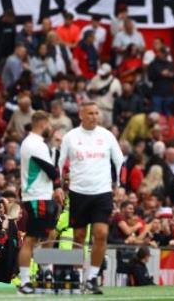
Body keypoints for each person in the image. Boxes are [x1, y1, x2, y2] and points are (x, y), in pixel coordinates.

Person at [58, 102, 125, 294]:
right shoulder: (71, 137)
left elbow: (120, 160)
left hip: (102, 192)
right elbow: (60, 162)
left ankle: (92, 278)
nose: (94, 116)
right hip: (78, 193)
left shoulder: (106, 136)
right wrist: (57, 186)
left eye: (97, 113)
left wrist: (121, 186)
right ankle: (78, 278)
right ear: (81, 115)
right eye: (90, 113)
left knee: (101, 233)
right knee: (79, 237)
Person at [17, 111, 65, 294]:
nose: (50, 128)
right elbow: (51, 170)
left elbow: (50, 164)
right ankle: (24, 281)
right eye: (49, 124)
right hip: (36, 196)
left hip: (43, 195)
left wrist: (56, 147)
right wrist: (58, 186)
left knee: (50, 234)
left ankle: (46, 274)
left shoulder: (39, 144)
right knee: (31, 239)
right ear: (43, 123)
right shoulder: (33, 143)